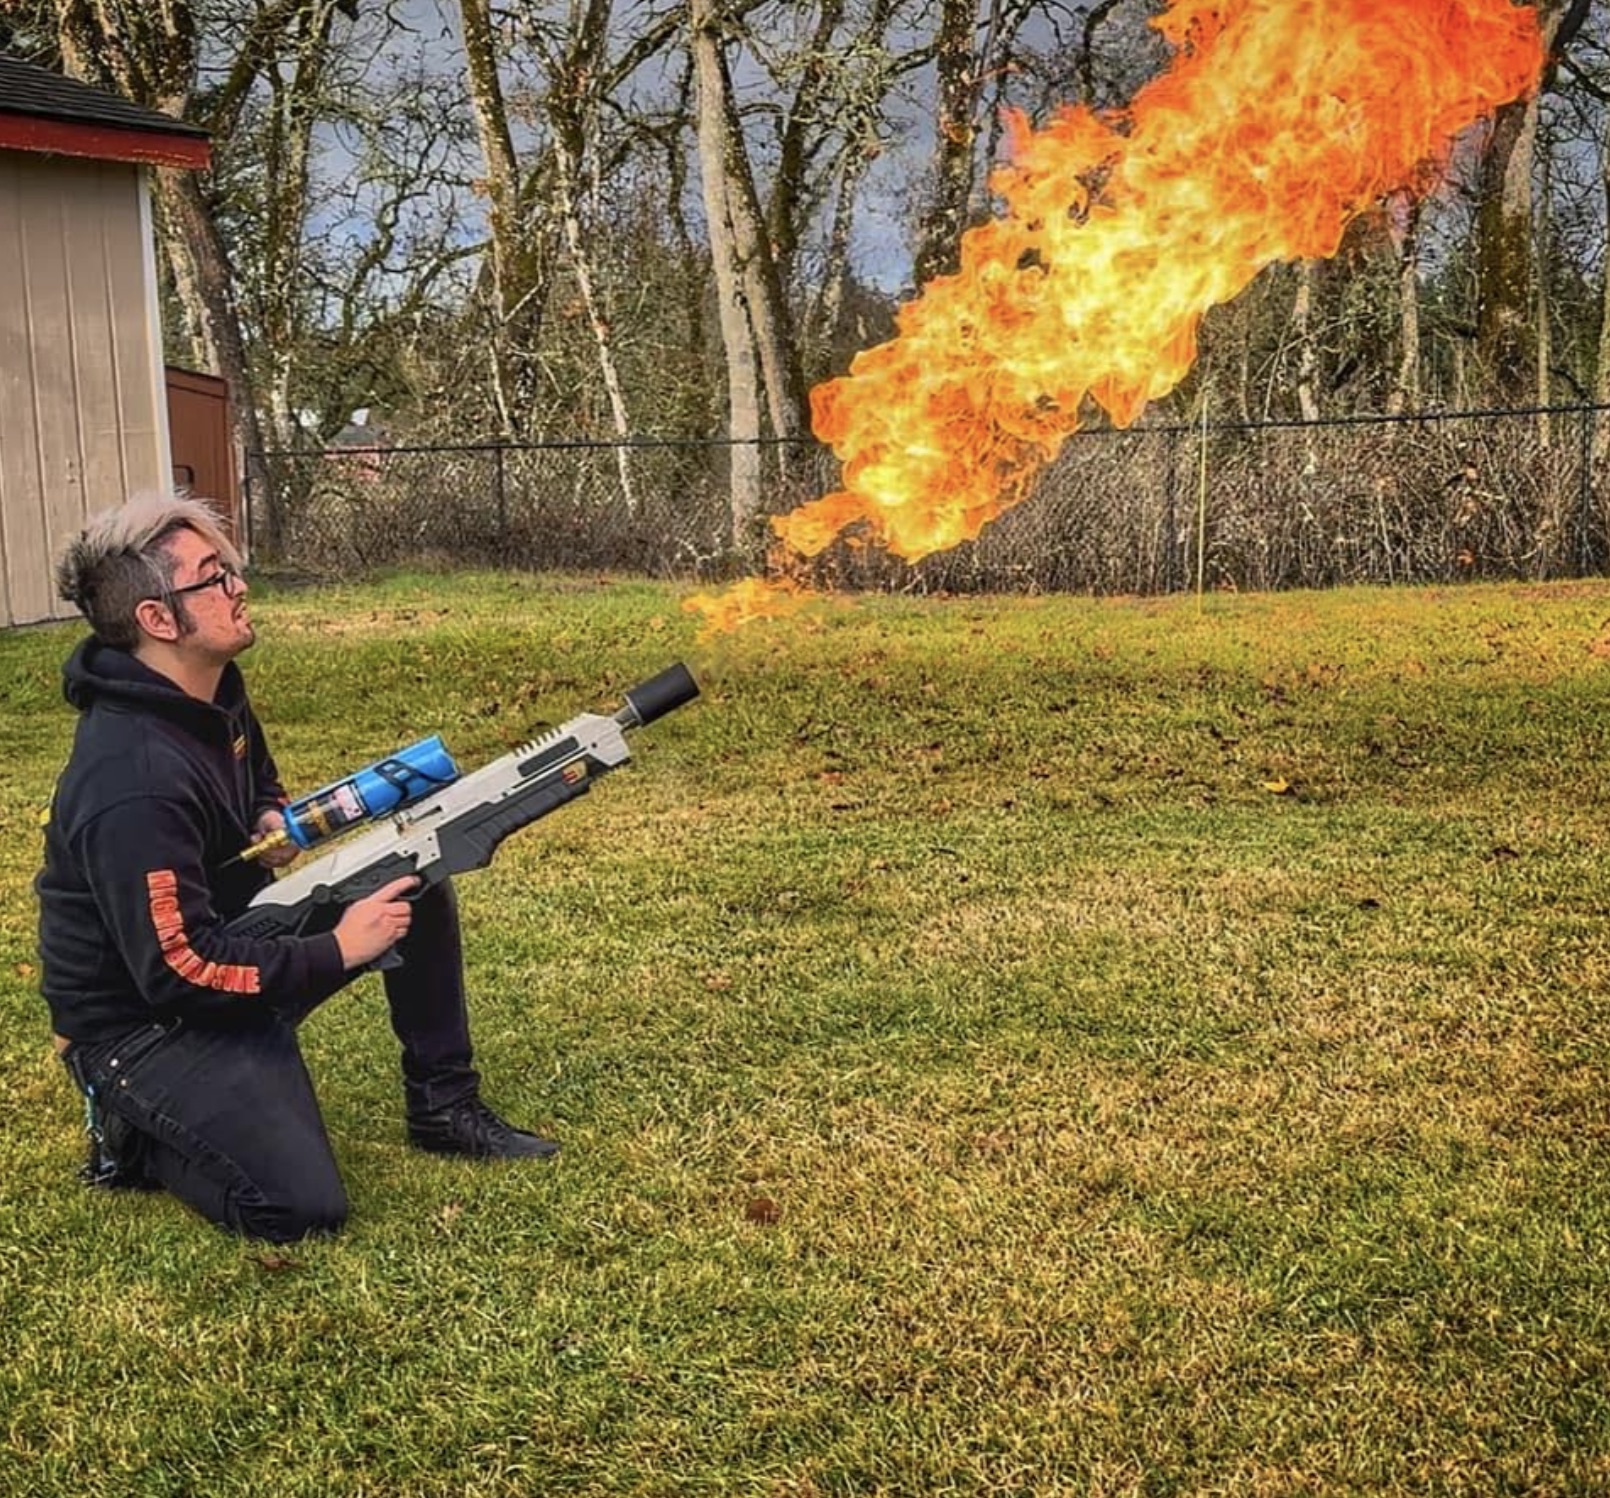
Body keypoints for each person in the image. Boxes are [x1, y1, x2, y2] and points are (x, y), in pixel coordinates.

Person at [37, 492, 557, 1244]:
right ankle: (134, 1131)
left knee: (412, 874)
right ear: (157, 619)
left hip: (228, 938)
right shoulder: (132, 781)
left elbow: (257, 780)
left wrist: (267, 817)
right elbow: (177, 969)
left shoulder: (210, 692)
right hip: (142, 1025)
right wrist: (338, 949)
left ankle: (444, 1109)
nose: (239, 587)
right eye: (214, 577)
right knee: (295, 1207)